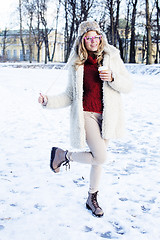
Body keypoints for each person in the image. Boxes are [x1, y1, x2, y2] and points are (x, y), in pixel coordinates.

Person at [38, 21, 132, 217]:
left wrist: (113, 78)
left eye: (95, 37)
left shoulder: (112, 56)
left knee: (98, 160)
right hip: (86, 115)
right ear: (83, 40)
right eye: (88, 38)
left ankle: (92, 197)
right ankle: (65, 156)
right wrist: (48, 101)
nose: (93, 41)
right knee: (101, 156)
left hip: (107, 116)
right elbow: (69, 95)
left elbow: (128, 85)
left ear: (100, 37)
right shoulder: (77, 64)